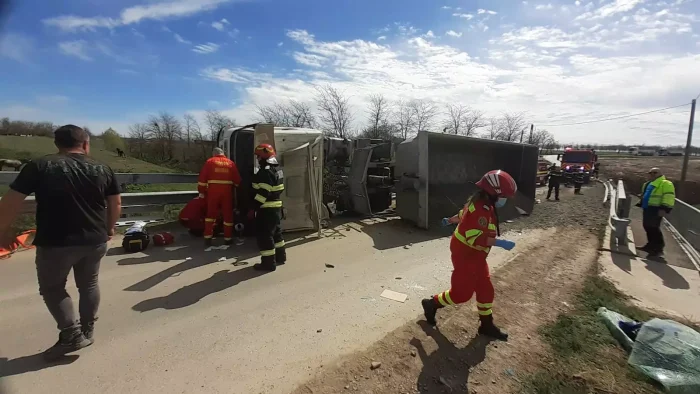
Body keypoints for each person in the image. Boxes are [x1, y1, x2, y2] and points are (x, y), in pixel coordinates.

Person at [0, 125, 121, 361]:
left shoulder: (40, 165)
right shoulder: (102, 168)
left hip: (56, 242)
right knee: (89, 284)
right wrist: (109, 229)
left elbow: (11, 201)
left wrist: (2, 230)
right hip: (95, 239)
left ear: (57, 145)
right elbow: (115, 204)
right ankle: (87, 330)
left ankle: (71, 334)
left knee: (53, 288)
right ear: (85, 144)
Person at [421, 170, 518, 341]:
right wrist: (501, 243)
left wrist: (449, 220)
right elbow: (477, 238)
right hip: (465, 254)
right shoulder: (481, 208)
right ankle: (431, 304)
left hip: (476, 254)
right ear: (494, 192)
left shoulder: (482, 203)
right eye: (504, 196)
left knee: (485, 288)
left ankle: (486, 325)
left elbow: (462, 214)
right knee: (461, 294)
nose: (505, 200)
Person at [249, 143, 286, 272]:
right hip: (276, 207)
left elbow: (263, 192)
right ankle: (281, 257)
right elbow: (279, 189)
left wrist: (254, 207)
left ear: (263, 157)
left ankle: (268, 264)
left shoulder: (265, 171)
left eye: (258, 156)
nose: (257, 159)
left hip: (266, 208)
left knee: (265, 236)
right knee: (276, 234)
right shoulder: (278, 170)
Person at [197, 147, 241, 247]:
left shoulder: (210, 162)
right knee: (227, 215)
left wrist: (201, 191)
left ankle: (208, 238)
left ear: (214, 154)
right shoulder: (230, 163)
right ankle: (228, 239)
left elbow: (202, 179)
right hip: (227, 193)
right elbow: (237, 181)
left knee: (210, 215)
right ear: (223, 153)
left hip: (213, 193)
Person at [636, 167, 675, 256]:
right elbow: (647, 194)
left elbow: (669, 196)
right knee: (647, 226)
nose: (652, 174)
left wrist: (664, 208)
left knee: (654, 227)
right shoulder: (648, 184)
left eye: (655, 172)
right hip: (648, 208)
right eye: (650, 173)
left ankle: (658, 248)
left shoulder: (666, 183)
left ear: (660, 174)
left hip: (657, 209)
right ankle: (650, 245)